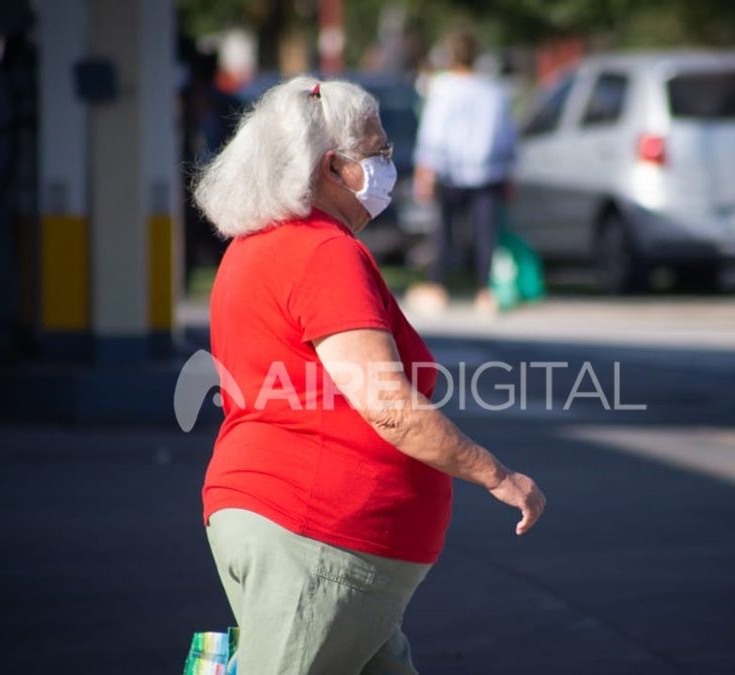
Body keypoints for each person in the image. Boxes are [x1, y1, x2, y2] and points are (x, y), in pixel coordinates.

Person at [192, 75, 546, 674]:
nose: (389, 166)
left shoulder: (254, 247)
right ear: (332, 167)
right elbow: (387, 405)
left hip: (291, 527)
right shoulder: (322, 254)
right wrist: (497, 475)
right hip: (317, 538)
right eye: (377, 153)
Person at [409, 30, 519, 316]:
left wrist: (425, 169)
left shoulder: (443, 87)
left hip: (450, 170)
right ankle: (486, 291)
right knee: (485, 233)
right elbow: (506, 134)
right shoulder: (493, 91)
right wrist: (509, 170)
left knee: (444, 230)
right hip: (489, 170)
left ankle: (438, 287)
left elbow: (434, 130)